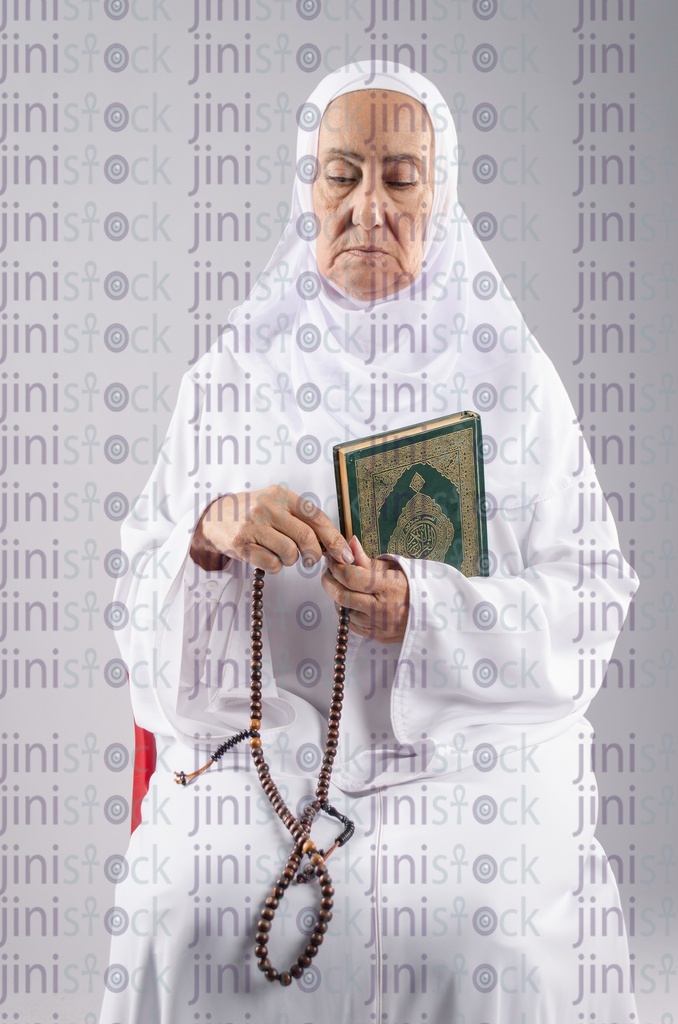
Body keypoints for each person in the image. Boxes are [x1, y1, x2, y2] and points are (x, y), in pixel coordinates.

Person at [100, 63, 639, 1023]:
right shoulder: (228, 378)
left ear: (443, 193)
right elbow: (136, 599)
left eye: (400, 176)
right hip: (265, 748)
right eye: (340, 173)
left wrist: (425, 612)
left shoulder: (512, 378)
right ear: (304, 192)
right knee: (186, 901)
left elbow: (591, 596)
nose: (367, 207)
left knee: (474, 924)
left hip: (468, 750)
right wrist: (210, 539)